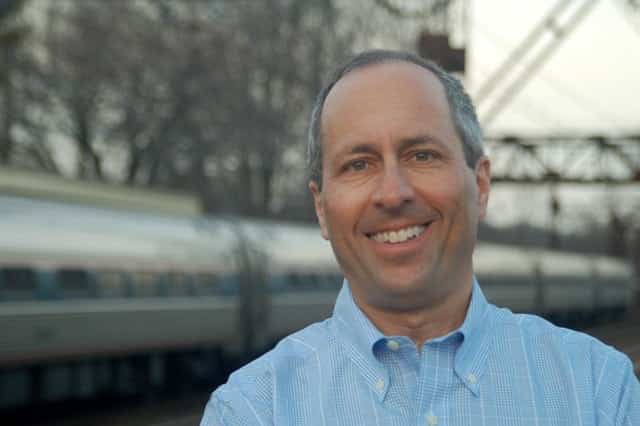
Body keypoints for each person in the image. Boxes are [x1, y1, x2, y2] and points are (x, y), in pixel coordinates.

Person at [201, 50, 640, 425]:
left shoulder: (600, 391)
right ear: (321, 207)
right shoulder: (249, 411)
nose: (393, 194)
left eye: (422, 155)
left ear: (480, 186)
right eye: (358, 164)